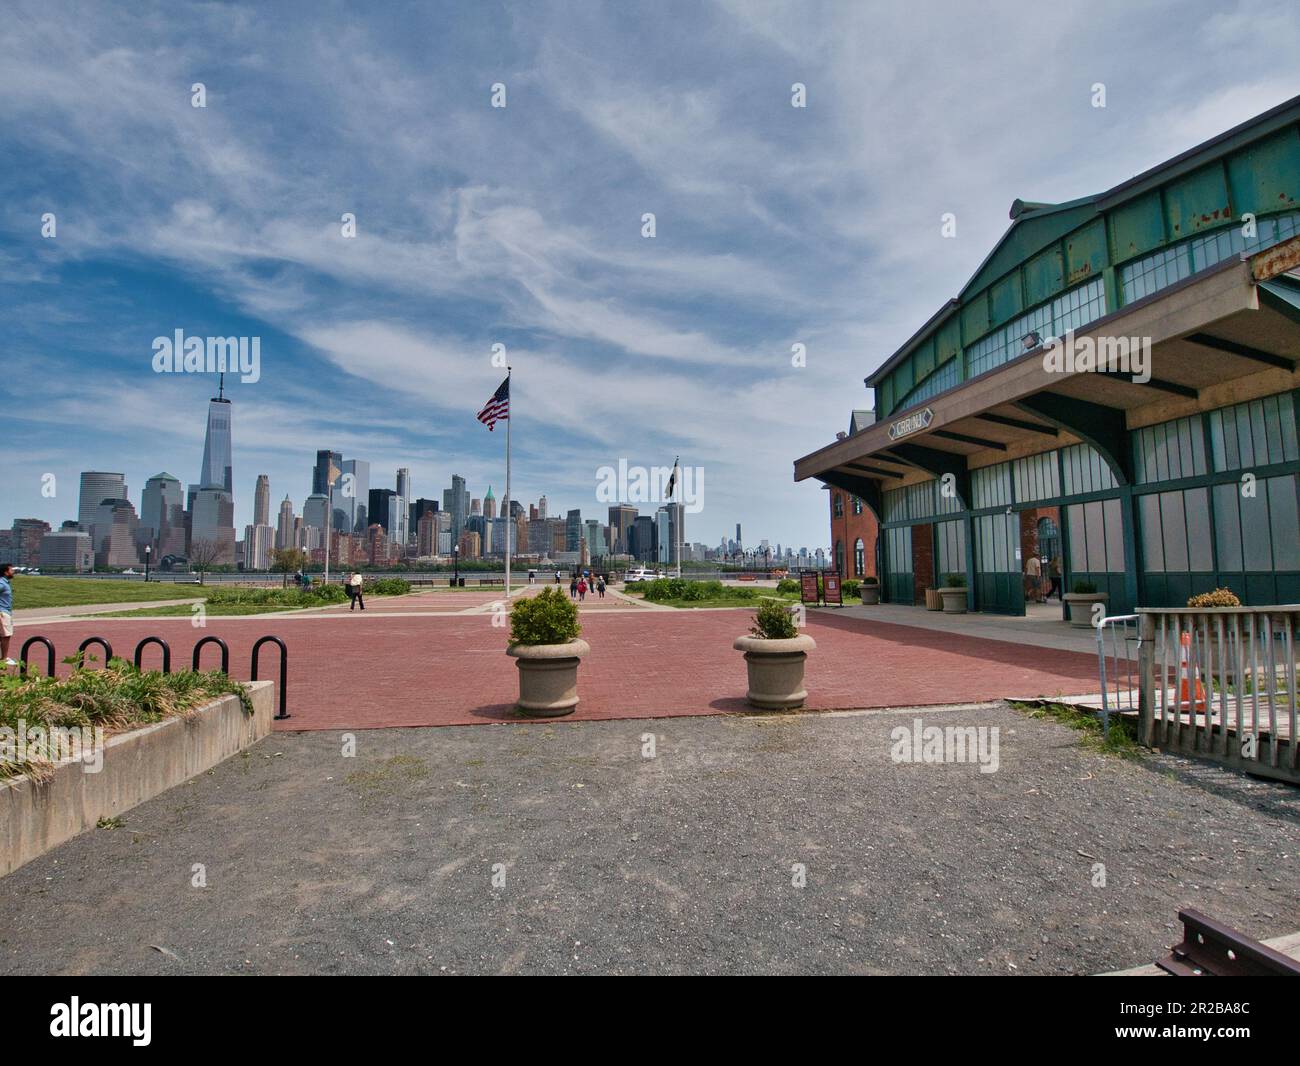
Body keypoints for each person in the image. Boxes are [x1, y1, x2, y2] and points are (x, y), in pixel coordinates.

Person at [0, 564, 14, 666]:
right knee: (6, 635)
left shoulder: (5, 583)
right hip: (3, 612)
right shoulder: (2, 583)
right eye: (11, 569)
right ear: (5, 572)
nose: (13, 571)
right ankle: (4, 658)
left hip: (5, 611)